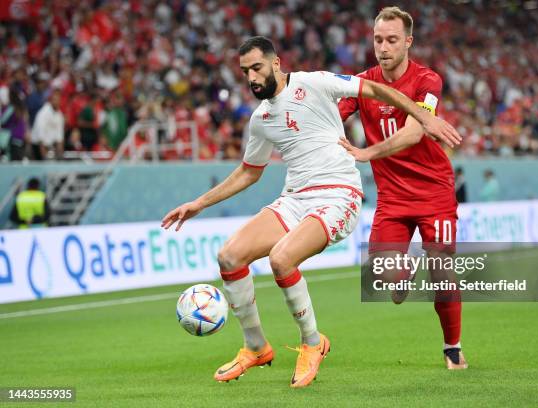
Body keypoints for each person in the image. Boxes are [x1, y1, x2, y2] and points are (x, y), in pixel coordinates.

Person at [161, 36, 459, 388]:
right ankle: (256, 347)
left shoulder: (315, 82)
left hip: (339, 195)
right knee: (229, 256)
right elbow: (249, 172)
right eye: (245, 72)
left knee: (281, 258)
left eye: (256, 68)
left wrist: (421, 118)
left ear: (275, 63)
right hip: (295, 198)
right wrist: (198, 203)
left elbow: (376, 90)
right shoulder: (261, 119)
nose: (251, 78)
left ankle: (313, 343)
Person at [337, 7, 467, 369]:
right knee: (383, 279)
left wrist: (366, 152)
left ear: (408, 41)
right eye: (378, 39)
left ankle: (452, 347)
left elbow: (414, 131)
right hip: (393, 198)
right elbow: (332, 114)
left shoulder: (427, 81)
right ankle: (403, 271)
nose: (384, 46)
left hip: (433, 193)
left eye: (392, 40)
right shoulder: (362, 83)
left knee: (442, 269)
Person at [31, 89, 64, 160]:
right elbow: (40, 134)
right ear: (51, 100)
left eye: (58, 100)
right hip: (38, 146)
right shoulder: (43, 113)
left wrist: (60, 155)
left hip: (49, 146)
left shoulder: (59, 115)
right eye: (55, 99)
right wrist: (43, 155)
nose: (57, 102)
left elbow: (59, 136)